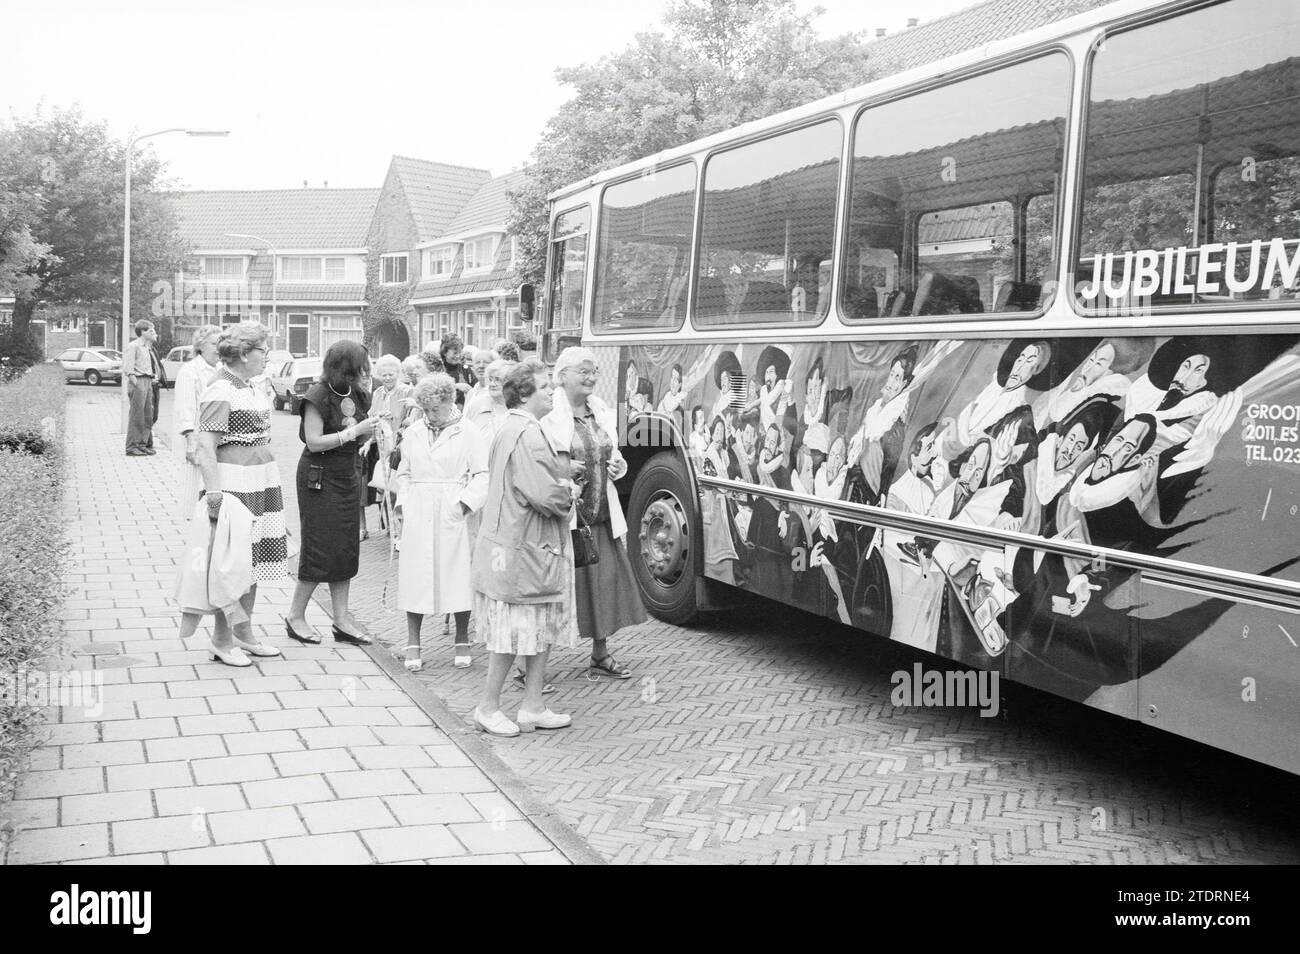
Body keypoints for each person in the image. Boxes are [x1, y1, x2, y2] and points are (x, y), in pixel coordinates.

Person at [473, 358, 576, 736]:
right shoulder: (529, 434)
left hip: (517, 545)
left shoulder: (510, 428)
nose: (553, 391)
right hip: (527, 546)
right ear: (525, 393)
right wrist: (570, 490)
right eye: (546, 386)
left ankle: (532, 705)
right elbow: (546, 494)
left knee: (537, 624)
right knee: (516, 630)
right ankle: (488, 706)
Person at [186, 322, 286, 665]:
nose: (266, 358)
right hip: (234, 483)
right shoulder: (221, 389)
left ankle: (245, 634)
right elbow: (205, 447)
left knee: (253, 561)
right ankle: (221, 641)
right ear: (244, 354)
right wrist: (214, 494)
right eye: (263, 351)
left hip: (260, 479)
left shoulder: (253, 386)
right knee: (231, 563)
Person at [544, 347, 647, 679]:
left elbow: (611, 452)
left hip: (598, 515)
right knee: (553, 589)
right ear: (561, 376)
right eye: (583, 371)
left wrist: (619, 464)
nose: (591, 377)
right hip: (563, 519)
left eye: (594, 372)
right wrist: (563, 467)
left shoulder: (598, 410)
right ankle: (528, 668)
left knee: (600, 584)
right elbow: (537, 462)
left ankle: (600, 655)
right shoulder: (547, 414)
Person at [283, 340, 379, 646]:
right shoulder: (317, 395)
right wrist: (355, 431)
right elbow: (313, 442)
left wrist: (373, 432)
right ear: (347, 365)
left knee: (345, 547)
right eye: (362, 365)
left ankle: (341, 619)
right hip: (320, 477)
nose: (366, 371)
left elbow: (362, 429)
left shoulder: (359, 393)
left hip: (348, 473)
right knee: (319, 545)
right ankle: (295, 615)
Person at [394, 374, 489, 671]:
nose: (429, 416)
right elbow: (404, 471)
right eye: (425, 410)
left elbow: (482, 474)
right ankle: (413, 641)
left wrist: (463, 504)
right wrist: (405, 503)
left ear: (450, 402)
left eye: (435, 409)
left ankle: (462, 638)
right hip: (420, 506)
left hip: (453, 504)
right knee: (415, 574)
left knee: (456, 572)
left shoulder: (468, 431)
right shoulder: (415, 431)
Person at [171, 325, 222, 520]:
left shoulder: (219, 369)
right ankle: (194, 534)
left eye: (221, 343)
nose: (218, 348)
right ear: (200, 346)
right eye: (214, 343)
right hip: (197, 438)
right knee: (194, 490)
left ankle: (207, 528)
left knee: (210, 487)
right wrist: (191, 440)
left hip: (214, 440)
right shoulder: (190, 370)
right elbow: (185, 408)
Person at [123, 319, 160, 456]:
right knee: (136, 415)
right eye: (151, 330)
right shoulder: (133, 346)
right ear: (143, 332)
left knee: (147, 415)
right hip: (138, 381)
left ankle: (142, 444)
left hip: (147, 381)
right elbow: (128, 368)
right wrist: (137, 384)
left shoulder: (146, 347)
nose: (154, 333)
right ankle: (132, 447)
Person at [463, 357, 514, 436]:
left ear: (510, 382)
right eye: (490, 379)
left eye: (498, 380)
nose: (492, 384)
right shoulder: (477, 404)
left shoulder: (518, 408)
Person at [441, 333, 473, 407]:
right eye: (455, 353)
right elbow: (433, 390)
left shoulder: (466, 370)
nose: (458, 356)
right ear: (445, 352)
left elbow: (476, 388)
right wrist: (455, 386)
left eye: (460, 352)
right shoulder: (438, 369)